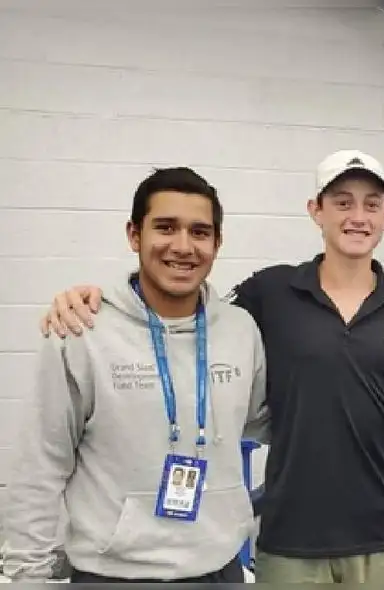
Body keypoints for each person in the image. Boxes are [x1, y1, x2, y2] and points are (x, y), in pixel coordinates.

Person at [35, 150, 384, 584]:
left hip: (383, 536)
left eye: (372, 204)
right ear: (316, 210)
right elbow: (180, 308)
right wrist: (97, 299)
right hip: (288, 541)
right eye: (342, 202)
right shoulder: (269, 293)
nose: (358, 216)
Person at [2, 167, 270, 583]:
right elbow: (39, 467)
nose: (183, 247)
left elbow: (261, 419)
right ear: (134, 234)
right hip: (113, 574)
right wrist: (25, 576)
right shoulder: (81, 330)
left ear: (217, 242)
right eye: (165, 227)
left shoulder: (240, 330)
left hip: (220, 570)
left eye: (200, 232)